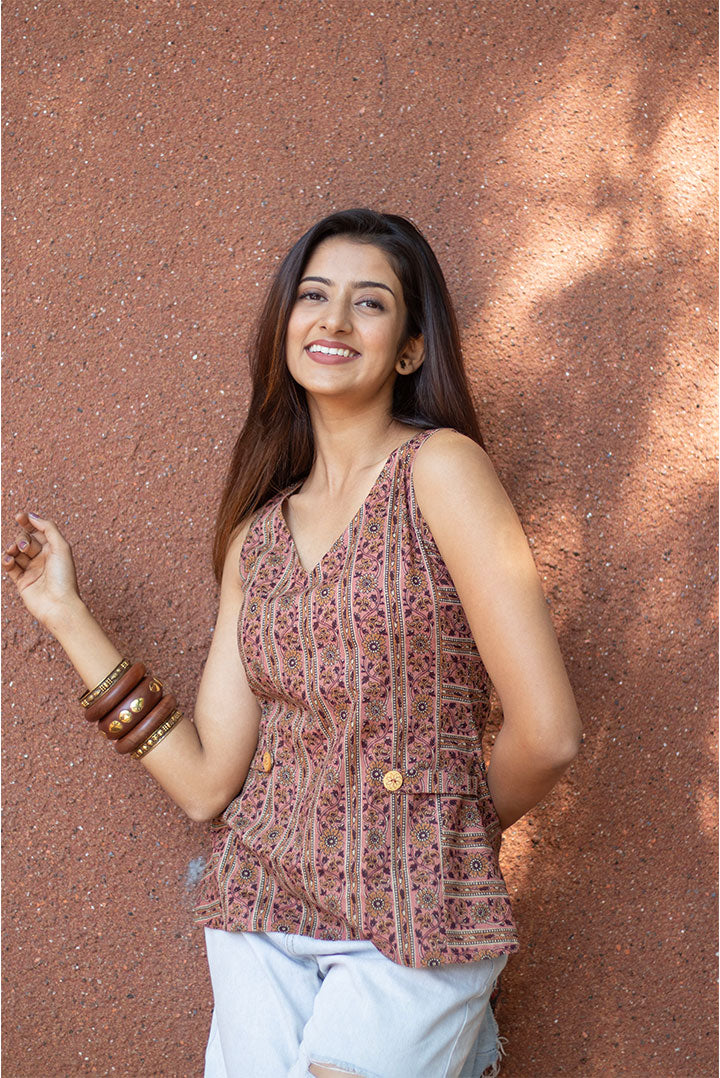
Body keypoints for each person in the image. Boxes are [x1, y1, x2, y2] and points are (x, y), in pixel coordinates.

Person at [3, 208, 582, 1078]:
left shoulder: (442, 471)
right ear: (286, 324)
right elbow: (206, 782)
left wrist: (436, 833)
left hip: (415, 908)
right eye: (314, 295)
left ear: (411, 350)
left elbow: (549, 733)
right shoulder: (258, 538)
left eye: (370, 302)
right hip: (260, 908)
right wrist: (65, 614)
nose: (334, 319)